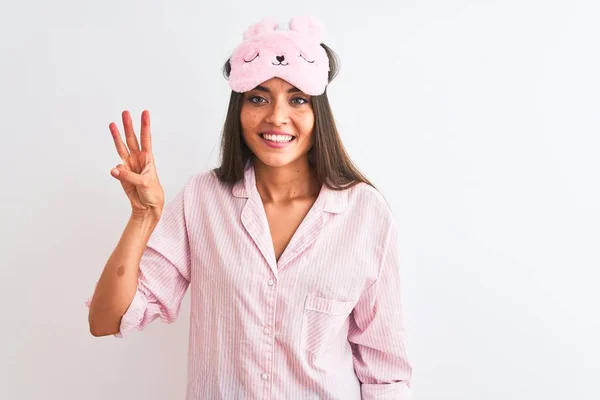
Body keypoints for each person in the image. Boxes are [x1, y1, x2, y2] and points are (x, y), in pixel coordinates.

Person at [86, 15, 413, 399]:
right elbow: (106, 320)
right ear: (238, 111)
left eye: (297, 99)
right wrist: (143, 217)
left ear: (318, 112)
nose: (276, 116)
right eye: (258, 97)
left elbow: (386, 373)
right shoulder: (201, 199)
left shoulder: (365, 213)